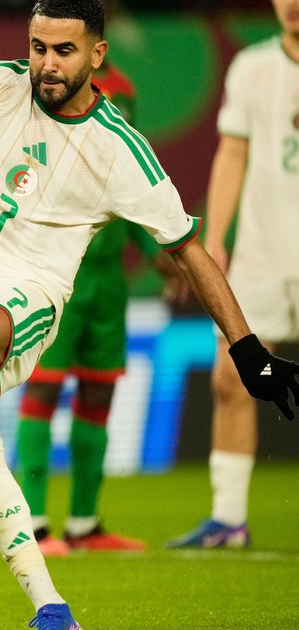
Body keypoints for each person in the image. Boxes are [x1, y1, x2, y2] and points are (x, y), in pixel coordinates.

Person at [0, 1, 299, 627]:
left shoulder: (119, 149)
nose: (47, 64)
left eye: (64, 51)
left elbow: (187, 249)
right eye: (39, 48)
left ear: (97, 55)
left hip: (26, 291)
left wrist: (246, 349)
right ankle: (50, 605)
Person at [14, 60, 162, 556]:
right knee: (43, 389)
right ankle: (34, 525)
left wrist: (154, 250)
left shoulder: (123, 90)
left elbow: (132, 180)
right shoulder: (40, 86)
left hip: (108, 279)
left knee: (99, 391)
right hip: (55, 271)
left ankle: (84, 524)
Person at [168, 0, 299, 550]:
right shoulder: (252, 67)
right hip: (263, 254)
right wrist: (217, 239)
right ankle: (227, 520)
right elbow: (232, 155)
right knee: (234, 375)